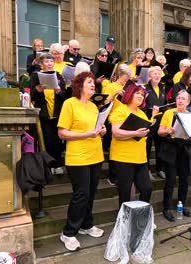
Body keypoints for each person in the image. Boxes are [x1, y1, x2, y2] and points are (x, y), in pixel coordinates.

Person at [58, 72, 107, 251]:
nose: (93, 85)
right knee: (81, 194)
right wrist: (87, 134)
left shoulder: (94, 106)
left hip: (95, 155)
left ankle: (86, 225)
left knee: (91, 193)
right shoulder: (69, 104)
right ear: (79, 85)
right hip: (78, 157)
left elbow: (94, 129)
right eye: (89, 82)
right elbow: (62, 132)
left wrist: (102, 130)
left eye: (94, 83)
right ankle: (68, 232)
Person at [109, 84, 159, 207]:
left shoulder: (141, 114)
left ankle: (139, 217)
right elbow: (116, 132)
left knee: (147, 189)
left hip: (140, 158)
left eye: (142, 95)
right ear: (129, 94)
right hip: (123, 157)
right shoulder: (120, 110)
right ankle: (124, 223)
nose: (140, 96)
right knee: (125, 194)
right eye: (137, 93)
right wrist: (135, 133)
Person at [157, 90, 191, 221]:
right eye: (178, 98)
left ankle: (182, 205)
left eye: (183, 98)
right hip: (171, 149)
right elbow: (160, 132)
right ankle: (167, 208)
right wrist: (167, 130)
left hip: (184, 149)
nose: (180, 100)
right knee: (170, 180)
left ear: (188, 102)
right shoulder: (168, 112)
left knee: (184, 180)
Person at [30, 53, 67, 173]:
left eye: (51, 61)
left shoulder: (58, 76)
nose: (49, 63)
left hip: (57, 113)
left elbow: (65, 95)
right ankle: (49, 165)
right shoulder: (35, 76)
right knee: (47, 139)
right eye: (46, 61)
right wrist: (37, 89)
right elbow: (30, 93)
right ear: (41, 64)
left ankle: (58, 164)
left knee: (57, 140)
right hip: (44, 113)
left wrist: (59, 91)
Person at [144, 66, 168, 180]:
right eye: (155, 74)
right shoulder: (145, 89)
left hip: (160, 121)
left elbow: (165, 104)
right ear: (150, 76)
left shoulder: (162, 90)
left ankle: (160, 169)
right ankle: (147, 170)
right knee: (147, 147)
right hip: (149, 120)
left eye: (159, 74)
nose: (157, 76)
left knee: (160, 147)